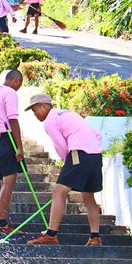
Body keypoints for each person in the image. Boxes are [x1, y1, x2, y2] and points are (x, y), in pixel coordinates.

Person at [25, 93, 103, 246]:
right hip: (95, 154)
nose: (34, 114)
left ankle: (51, 234)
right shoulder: (66, 113)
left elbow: (61, 146)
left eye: (35, 110)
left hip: (79, 152)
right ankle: (95, 237)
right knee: (88, 197)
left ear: (44, 106)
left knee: (59, 191)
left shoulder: (49, 120)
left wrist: (66, 162)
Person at [0, 70, 25, 233]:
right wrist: (19, 146)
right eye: (19, 84)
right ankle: (2, 224)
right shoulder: (9, 92)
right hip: (7, 138)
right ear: (15, 80)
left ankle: (3, 222)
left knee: (4, 183)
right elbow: (13, 119)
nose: (19, 88)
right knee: (8, 183)